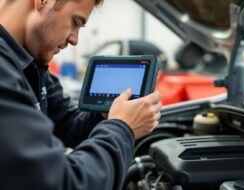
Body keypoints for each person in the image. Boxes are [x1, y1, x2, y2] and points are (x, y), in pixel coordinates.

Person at [0, 0, 161, 189]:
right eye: (75, 22)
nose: (74, 40)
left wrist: (104, 115)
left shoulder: (28, 63)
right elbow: (64, 183)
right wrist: (122, 128)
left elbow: (65, 124)